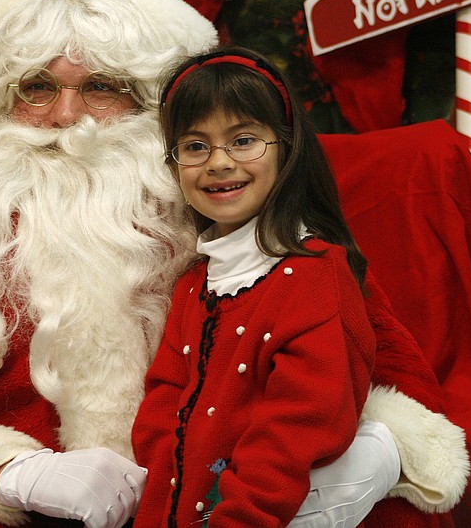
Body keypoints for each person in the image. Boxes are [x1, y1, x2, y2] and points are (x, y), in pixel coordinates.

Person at [0, 0, 470, 527]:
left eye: (102, 89)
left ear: (154, 106)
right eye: (36, 88)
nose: (64, 117)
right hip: (10, 510)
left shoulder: (228, 208)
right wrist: (14, 473)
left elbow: (386, 365)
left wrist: (376, 450)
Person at [130, 45, 379, 526]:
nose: (218, 163)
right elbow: (162, 415)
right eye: (195, 146)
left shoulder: (314, 274)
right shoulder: (193, 285)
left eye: (243, 140)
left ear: (285, 146)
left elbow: (294, 432)